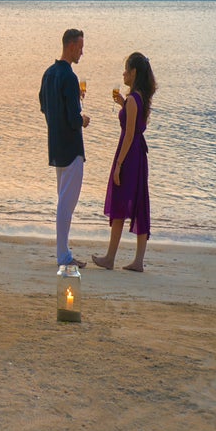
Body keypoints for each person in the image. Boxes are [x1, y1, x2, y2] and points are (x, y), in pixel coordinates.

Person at [93, 52, 157, 272]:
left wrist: (118, 164)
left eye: (126, 69)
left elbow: (129, 134)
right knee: (139, 202)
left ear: (134, 73)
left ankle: (110, 257)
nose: (123, 73)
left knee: (119, 202)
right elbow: (137, 126)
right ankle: (138, 261)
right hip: (139, 154)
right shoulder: (140, 98)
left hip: (129, 154)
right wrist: (123, 104)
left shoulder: (132, 100)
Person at [39, 28, 90, 268]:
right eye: (80, 47)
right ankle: (63, 255)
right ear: (70, 46)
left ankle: (63, 252)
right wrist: (83, 119)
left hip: (55, 144)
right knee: (66, 203)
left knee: (63, 200)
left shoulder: (49, 73)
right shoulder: (68, 76)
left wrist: (72, 103)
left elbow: (44, 105)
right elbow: (73, 118)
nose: (82, 51)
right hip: (71, 147)